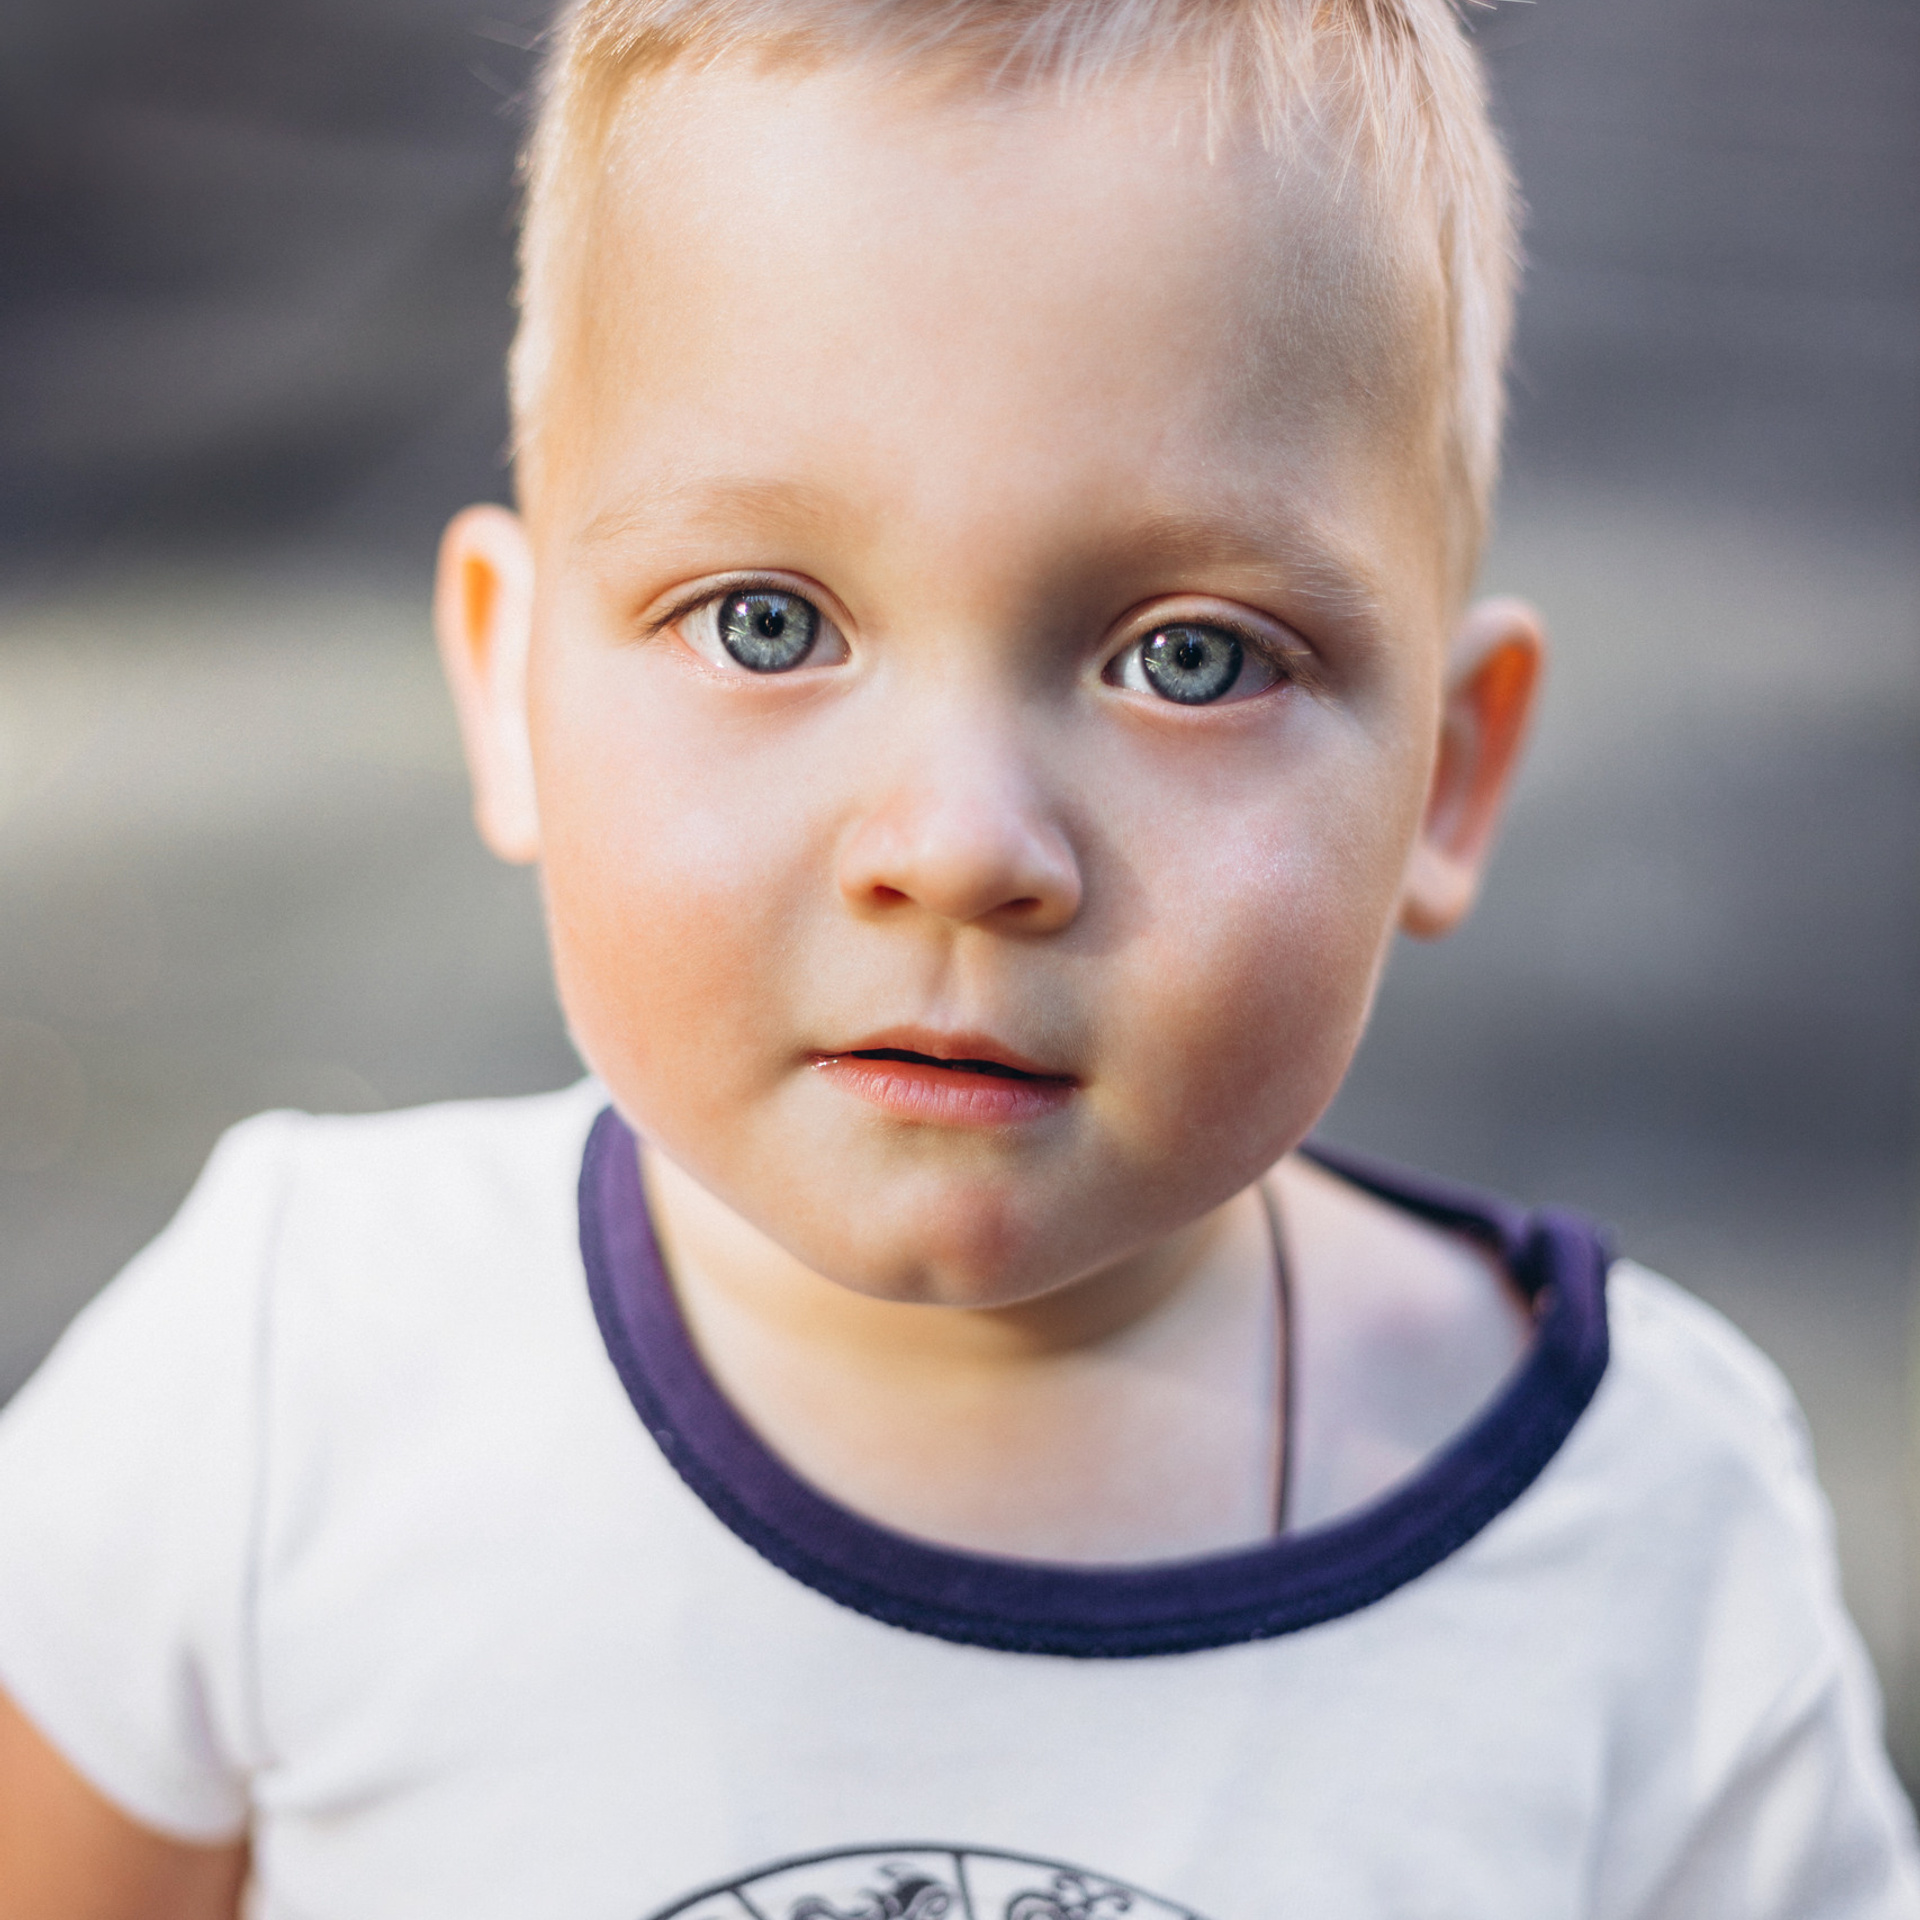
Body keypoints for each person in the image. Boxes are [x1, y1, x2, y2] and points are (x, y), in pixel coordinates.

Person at [0, 0, 1915, 1914]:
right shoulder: (286, 1381)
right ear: (509, 684)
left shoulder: (1642, 1546)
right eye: (763, 623)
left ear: (1450, 771)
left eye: (1192, 656)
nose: (962, 847)